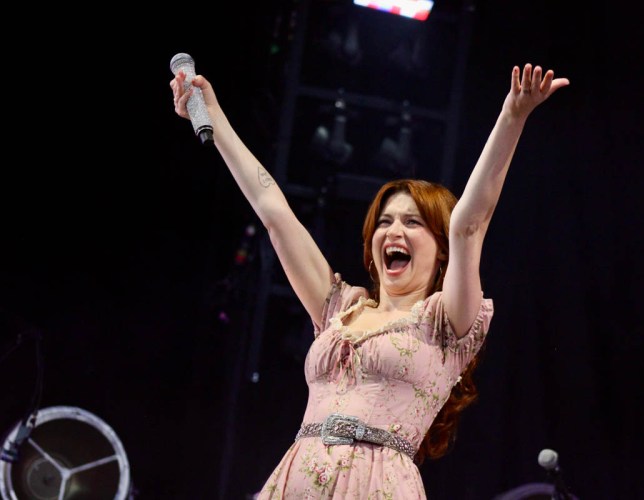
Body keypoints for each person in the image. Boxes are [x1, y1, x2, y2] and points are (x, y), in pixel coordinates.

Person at [170, 62, 568, 498]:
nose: (393, 231)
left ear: (440, 249)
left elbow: (469, 225)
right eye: (385, 221)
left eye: (412, 222)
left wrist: (513, 115)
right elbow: (274, 212)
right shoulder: (340, 309)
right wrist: (214, 116)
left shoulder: (445, 322)